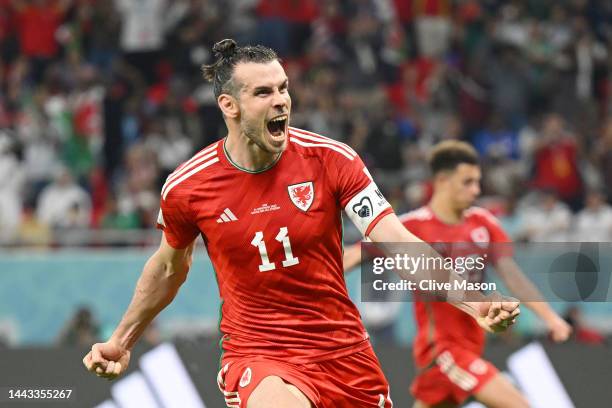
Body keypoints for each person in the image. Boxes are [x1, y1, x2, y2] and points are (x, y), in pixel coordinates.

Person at [83, 40, 519, 408]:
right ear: (228, 106)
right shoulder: (189, 187)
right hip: (259, 352)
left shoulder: (332, 160)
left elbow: (395, 239)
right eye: (263, 93)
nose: (280, 101)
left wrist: (473, 300)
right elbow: (167, 268)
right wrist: (121, 340)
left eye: (284, 88)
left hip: (343, 351)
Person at [345, 140, 571, 408]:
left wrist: (550, 318)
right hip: (443, 351)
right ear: (442, 180)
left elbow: (513, 277)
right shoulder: (410, 228)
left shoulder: (483, 224)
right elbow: (351, 256)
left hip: (469, 347)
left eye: (478, 182)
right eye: (468, 182)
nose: (476, 190)